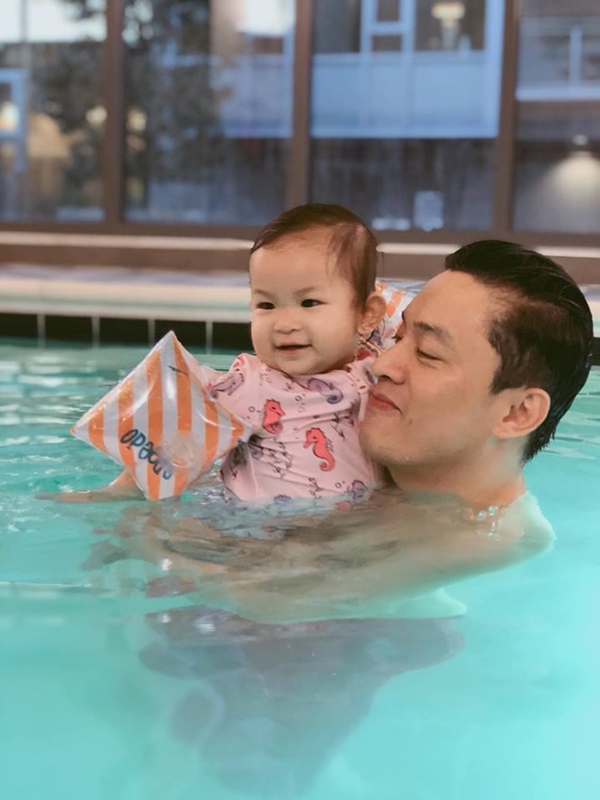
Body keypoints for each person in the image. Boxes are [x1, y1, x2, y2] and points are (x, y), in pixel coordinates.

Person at [105, 238, 593, 623]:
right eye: (399, 336)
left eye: (427, 354)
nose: (382, 364)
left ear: (517, 413)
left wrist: (139, 531)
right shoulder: (365, 433)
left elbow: (276, 601)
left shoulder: (497, 536)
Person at [48, 203, 409, 504]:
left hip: (346, 531)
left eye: (309, 302)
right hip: (258, 535)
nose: (285, 324)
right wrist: (111, 495)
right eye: (266, 305)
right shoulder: (250, 385)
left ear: (367, 315)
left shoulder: (376, 369)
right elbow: (167, 446)